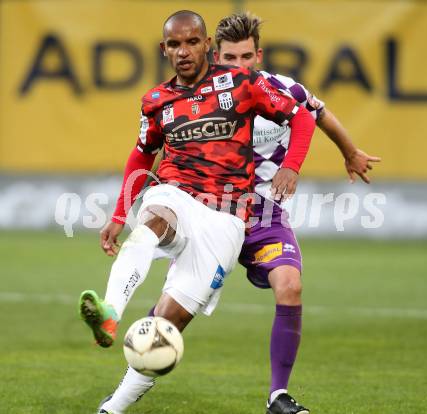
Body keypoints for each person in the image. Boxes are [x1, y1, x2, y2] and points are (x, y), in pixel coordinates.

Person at [80, 10, 316, 414]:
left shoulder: (244, 84)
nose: (183, 51)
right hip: (177, 194)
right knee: (155, 221)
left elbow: (301, 117)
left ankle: (112, 407)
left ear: (207, 45)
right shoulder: (156, 101)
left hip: (226, 217)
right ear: (163, 49)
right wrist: (119, 214)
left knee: (168, 324)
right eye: (174, 44)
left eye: (192, 42)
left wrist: (291, 165)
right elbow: (140, 157)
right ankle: (111, 312)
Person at [213, 13, 381, 414]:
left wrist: (350, 152)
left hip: (265, 214)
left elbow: (317, 114)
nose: (239, 67)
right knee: (179, 302)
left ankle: (278, 396)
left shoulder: (284, 89)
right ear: (215, 58)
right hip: (213, 210)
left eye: (246, 57)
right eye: (230, 58)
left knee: (290, 284)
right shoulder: (201, 99)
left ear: (259, 54)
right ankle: (134, 376)